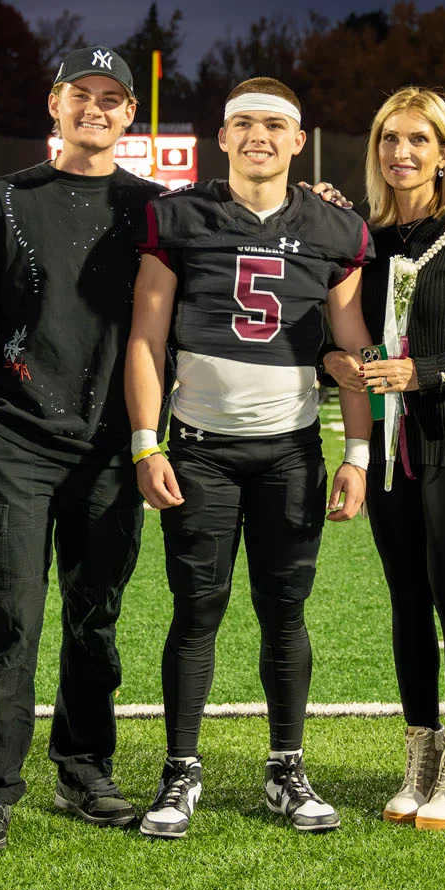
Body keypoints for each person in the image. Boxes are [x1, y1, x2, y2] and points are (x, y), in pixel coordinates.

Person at [126, 77, 375, 839]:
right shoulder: (180, 217)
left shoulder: (335, 228)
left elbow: (354, 343)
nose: (260, 136)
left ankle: (286, 767)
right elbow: (147, 335)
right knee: (197, 609)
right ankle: (179, 770)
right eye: (245, 124)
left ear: (299, 140)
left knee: (284, 611)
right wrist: (146, 441)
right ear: (222, 136)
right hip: (199, 447)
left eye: (276, 125)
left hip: (290, 452)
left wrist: (358, 451)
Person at [0, 46, 167, 853]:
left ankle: (85, 766)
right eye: (83, 95)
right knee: (8, 614)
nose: (97, 109)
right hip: (17, 439)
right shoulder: (4, 202)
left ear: (129, 114)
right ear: (55, 104)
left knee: (95, 617)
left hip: (112, 442)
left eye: (113, 98)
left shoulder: (155, 209)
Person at [322, 87, 445, 830]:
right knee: (406, 600)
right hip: (385, 445)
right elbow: (340, 332)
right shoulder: (365, 237)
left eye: (417, 140)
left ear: (444, 152)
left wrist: (425, 371)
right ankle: (421, 756)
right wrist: (333, 361)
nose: (401, 153)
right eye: (388, 139)